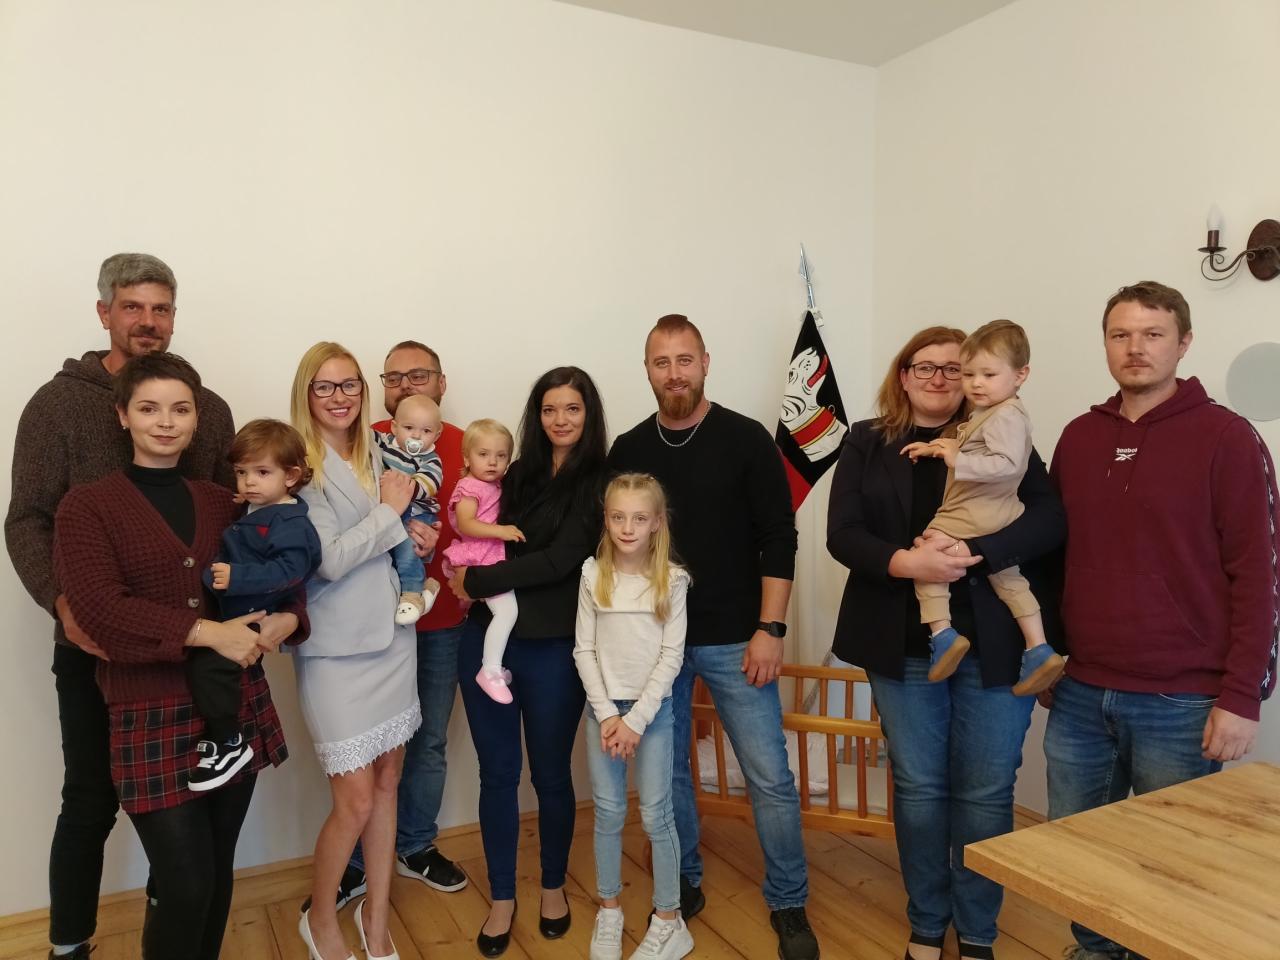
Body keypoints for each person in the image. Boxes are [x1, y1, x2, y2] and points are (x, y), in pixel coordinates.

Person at [5, 253, 234, 960]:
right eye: (132, 306)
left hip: (189, 647)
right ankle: (69, 942)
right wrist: (64, 606)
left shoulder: (206, 407)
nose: (147, 321)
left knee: (190, 798)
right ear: (104, 312)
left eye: (161, 308)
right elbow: (28, 518)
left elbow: (227, 514)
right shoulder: (57, 406)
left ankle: (174, 920)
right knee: (89, 796)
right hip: (91, 642)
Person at [1045, 281, 1278, 960]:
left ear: (1184, 342)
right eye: (1120, 334)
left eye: (1153, 334)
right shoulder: (1080, 437)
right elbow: (1052, 560)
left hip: (1182, 700)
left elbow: (1261, 575)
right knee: (1078, 851)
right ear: (1105, 344)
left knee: (1170, 863)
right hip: (1081, 691)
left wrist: (1242, 696)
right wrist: (1050, 655)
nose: (1136, 348)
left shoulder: (1227, 438)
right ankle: (1095, 951)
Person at [52, 352, 304, 960]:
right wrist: (208, 632)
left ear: (197, 420)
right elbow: (100, 609)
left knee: (215, 870)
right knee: (184, 883)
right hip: (147, 711)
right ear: (123, 416)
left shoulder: (225, 501)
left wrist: (291, 618)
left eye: (180, 409)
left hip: (233, 706)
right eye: (149, 408)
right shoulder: (87, 506)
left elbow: (282, 571)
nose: (165, 422)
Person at [827, 325, 1066, 960]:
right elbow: (843, 533)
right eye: (924, 366)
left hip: (995, 642)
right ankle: (928, 923)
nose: (939, 378)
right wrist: (908, 563)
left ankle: (979, 931)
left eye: (953, 367)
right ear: (903, 376)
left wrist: (979, 550)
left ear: (973, 376)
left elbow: (1049, 520)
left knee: (986, 789)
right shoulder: (867, 440)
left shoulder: (999, 431)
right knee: (920, 787)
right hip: (902, 640)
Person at [608, 314, 818, 960]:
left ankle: (789, 899)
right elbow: (613, 549)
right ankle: (683, 883)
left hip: (736, 638)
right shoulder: (628, 448)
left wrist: (770, 628)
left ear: (705, 363)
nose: (674, 373)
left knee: (769, 775)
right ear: (647, 370)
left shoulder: (746, 438)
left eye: (684, 360)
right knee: (667, 774)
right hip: (653, 645)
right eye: (661, 362)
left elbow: (778, 538)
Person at [449, 366, 607, 958]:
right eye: (549, 409)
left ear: (589, 415)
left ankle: (552, 886)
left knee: (551, 775)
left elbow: (561, 560)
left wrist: (475, 580)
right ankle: (501, 896)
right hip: (486, 641)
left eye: (572, 408)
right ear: (536, 416)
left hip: (553, 648)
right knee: (497, 774)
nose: (560, 419)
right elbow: (467, 524)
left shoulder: (599, 480)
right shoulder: (512, 473)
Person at [290, 341, 428, 960]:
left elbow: (394, 537)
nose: (339, 396)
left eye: (349, 385)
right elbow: (328, 559)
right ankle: (321, 920)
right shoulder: (298, 464)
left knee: (389, 781)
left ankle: (376, 918)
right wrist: (392, 514)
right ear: (306, 394)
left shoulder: (381, 450)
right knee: (354, 799)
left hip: (394, 639)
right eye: (325, 386)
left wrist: (416, 532)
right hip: (335, 651)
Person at [339, 341, 469, 910]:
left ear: (442, 382)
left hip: (440, 619)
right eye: (393, 377)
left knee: (429, 740)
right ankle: (354, 862)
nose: (405, 384)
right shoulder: (362, 440)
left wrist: (442, 540)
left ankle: (415, 846)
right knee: (365, 745)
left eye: (418, 374)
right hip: (371, 620)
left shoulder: (463, 443)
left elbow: (486, 521)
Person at [900, 320, 1064, 697]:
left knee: (928, 554)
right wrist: (937, 449)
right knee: (1008, 579)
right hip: (1001, 513)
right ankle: (1038, 647)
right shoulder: (990, 411)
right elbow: (970, 444)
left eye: (988, 375)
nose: (975, 383)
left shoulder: (1006, 414)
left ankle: (943, 634)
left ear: (1021, 375)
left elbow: (1008, 464)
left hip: (979, 511)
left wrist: (956, 459)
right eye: (969, 374)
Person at [574, 472, 694, 960]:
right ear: (606, 520)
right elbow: (584, 650)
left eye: (639, 518)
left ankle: (669, 919)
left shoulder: (673, 581)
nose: (628, 528)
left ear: (657, 523)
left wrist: (635, 720)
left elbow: (671, 656)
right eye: (619, 517)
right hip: (603, 713)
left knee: (656, 815)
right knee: (608, 813)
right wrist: (608, 715)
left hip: (652, 714)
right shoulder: (592, 575)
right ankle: (610, 908)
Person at [195, 418, 323, 792]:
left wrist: (238, 578)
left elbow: (291, 571)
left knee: (210, 669)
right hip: (236, 610)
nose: (249, 482)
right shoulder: (259, 508)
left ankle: (229, 741)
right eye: (241, 472)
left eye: (262, 472)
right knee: (211, 671)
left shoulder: (290, 523)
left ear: (291, 475)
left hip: (257, 614)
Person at [442, 418, 525, 703]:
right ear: (467, 458)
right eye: (483, 454)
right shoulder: (469, 486)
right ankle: (489, 670)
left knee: (500, 612)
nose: (492, 462)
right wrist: (501, 531)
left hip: (490, 555)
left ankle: (493, 667)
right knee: (507, 612)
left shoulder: (496, 485)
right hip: (480, 556)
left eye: (501, 456)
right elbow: (466, 523)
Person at [374, 392, 444, 624]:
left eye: (426, 431)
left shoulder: (429, 459)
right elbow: (361, 436)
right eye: (409, 428)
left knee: (407, 550)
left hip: (417, 512)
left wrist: (404, 487)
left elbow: (430, 483)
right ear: (394, 427)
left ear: (437, 434)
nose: (416, 436)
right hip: (390, 510)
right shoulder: (385, 442)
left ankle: (412, 594)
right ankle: (425, 589)